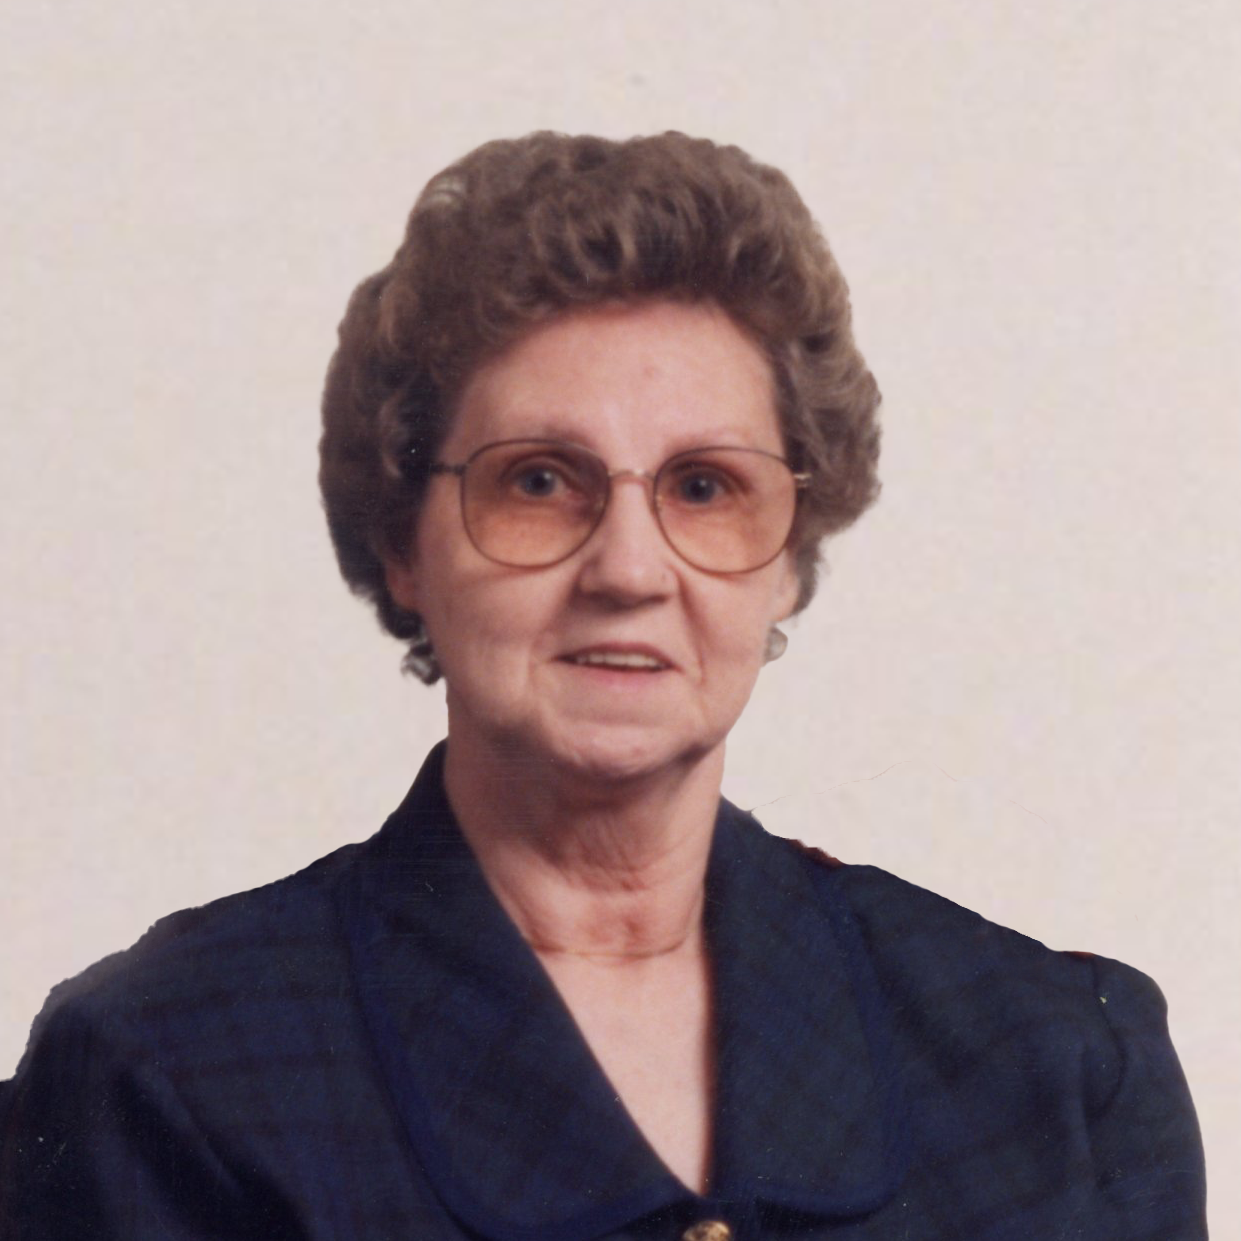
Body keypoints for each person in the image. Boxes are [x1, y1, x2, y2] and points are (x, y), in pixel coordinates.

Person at [0, 132, 1206, 1240]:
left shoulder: (1056, 1065)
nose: (628, 568)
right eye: (537, 480)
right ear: (402, 542)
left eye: (703, 486)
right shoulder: (166, 1075)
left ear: (788, 557)